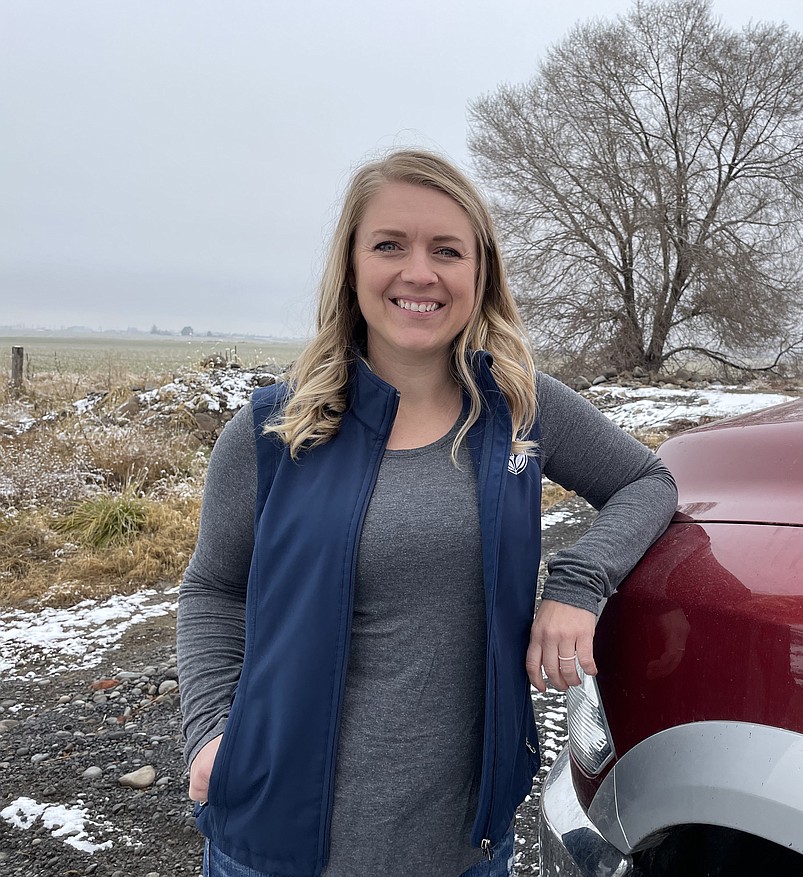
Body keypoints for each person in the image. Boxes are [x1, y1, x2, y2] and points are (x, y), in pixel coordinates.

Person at [176, 149, 677, 877]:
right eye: (389, 245)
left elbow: (647, 480)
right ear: (351, 265)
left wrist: (577, 582)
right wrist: (208, 732)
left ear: (480, 273)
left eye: (447, 250)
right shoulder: (272, 434)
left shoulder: (519, 409)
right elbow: (212, 589)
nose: (420, 273)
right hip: (274, 847)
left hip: (461, 850)